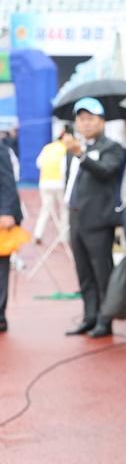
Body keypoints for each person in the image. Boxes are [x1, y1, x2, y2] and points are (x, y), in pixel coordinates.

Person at [63, 97, 125, 338]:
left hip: (98, 220)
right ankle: (89, 317)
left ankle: (104, 319)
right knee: (84, 272)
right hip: (75, 216)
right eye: (81, 119)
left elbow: (106, 170)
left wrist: (81, 155)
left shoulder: (111, 147)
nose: (85, 123)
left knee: (102, 271)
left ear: (101, 121)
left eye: (90, 118)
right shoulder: (74, 150)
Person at [0, 135, 21, 332]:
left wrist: (6, 212)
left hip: (1, 219)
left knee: (0, 267)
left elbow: (7, 181)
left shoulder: (1, 150)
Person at [33, 129, 68, 244]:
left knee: (45, 209)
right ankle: (63, 237)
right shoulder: (65, 149)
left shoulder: (47, 148)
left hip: (45, 182)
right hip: (60, 183)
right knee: (64, 210)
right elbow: (64, 169)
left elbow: (39, 163)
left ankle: (38, 233)